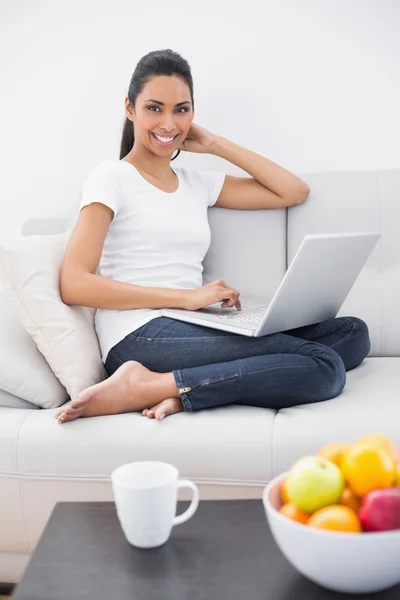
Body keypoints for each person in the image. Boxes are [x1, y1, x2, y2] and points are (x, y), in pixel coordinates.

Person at [56, 49, 371, 425]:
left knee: (351, 333)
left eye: (181, 110)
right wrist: (187, 298)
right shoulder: (111, 177)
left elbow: (293, 191)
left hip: (192, 325)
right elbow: (74, 284)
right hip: (139, 336)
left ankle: (177, 388)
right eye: (154, 108)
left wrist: (215, 145)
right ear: (130, 108)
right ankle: (142, 385)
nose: (168, 122)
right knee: (324, 366)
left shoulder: (196, 183)